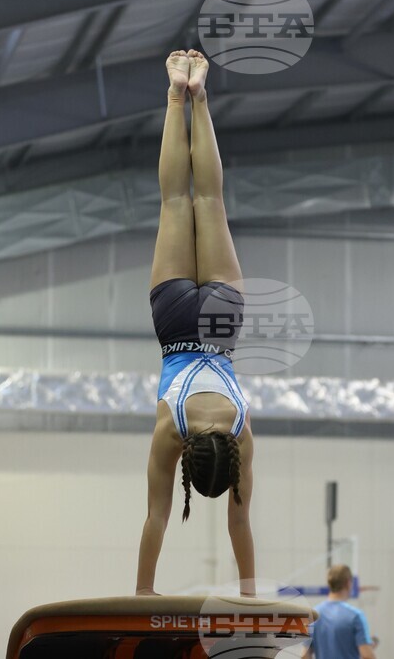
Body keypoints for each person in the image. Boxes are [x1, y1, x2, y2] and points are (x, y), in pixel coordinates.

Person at [135, 49, 255, 597]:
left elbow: (239, 525)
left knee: (210, 199)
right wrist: (142, 591)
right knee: (172, 202)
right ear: (187, 458)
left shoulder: (241, 432)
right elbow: (156, 518)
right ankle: (174, 92)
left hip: (221, 326)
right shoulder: (171, 431)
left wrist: (252, 591)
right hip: (175, 321)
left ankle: (199, 95)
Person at [302, 565, 376, 659]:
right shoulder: (356, 616)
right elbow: (367, 656)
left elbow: (305, 655)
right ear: (348, 583)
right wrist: (367, 648)